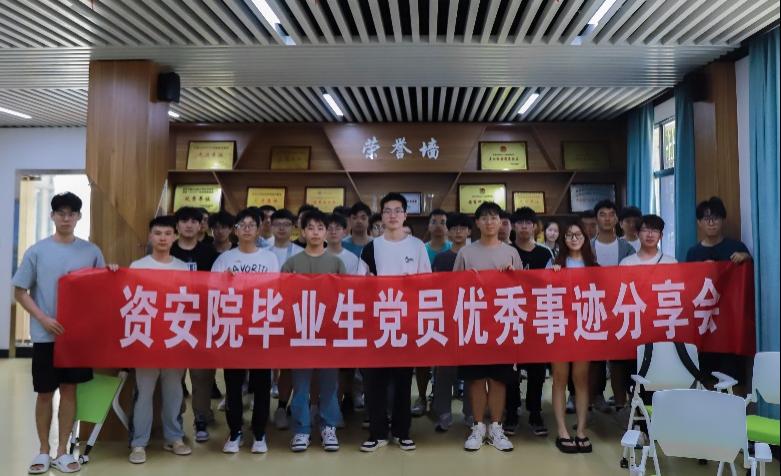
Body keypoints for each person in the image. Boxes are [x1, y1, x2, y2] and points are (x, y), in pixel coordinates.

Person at [13, 192, 109, 474]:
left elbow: (102, 287)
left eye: (71, 213)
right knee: (44, 392)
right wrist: (42, 318)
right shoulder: (37, 251)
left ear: (79, 217)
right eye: (61, 213)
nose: (66, 218)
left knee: (69, 389)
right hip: (46, 336)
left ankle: (63, 451)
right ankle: (43, 450)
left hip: (76, 337)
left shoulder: (91, 251)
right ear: (52, 216)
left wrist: (112, 271)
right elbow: (20, 291)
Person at [359, 193, 431, 452]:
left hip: (406, 322)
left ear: (405, 215)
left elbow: (427, 283)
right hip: (377, 322)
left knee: (402, 379)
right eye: (387, 210)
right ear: (381, 215)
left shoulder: (417, 246)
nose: (392, 215)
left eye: (397, 210)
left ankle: (402, 432)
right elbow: (360, 285)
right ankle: (377, 432)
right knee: (375, 381)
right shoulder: (371, 248)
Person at [212, 208, 279, 454]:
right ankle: (235, 431)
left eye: (252, 224)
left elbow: (276, 290)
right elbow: (211, 290)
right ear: (235, 230)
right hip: (233, 328)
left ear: (259, 229)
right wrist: (225, 280)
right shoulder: (225, 259)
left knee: (261, 384)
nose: (247, 228)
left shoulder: (269, 258)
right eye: (242, 224)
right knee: (233, 384)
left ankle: (259, 432)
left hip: (260, 328)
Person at [455, 201, 521, 452]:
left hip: (502, 323)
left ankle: (496, 427)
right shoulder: (465, 253)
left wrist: (511, 275)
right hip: (473, 323)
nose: (490, 222)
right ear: (477, 223)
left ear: (501, 222)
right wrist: (466, 279)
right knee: (475, 378)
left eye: (494, 217)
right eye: (484, 218)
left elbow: (522, 288)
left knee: (498, 379)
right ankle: (478, 426)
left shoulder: (511, 252)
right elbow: (452, 289)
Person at [128, 216, 192, 464]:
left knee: (174, 392)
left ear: (175, 237)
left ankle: (174, 438)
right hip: (145, 339)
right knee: (144, 394)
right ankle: (138, 443)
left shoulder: (183, 268)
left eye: (167, 233)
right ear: (150, 237)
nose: (163, 238)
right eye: (158, 233)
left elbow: (190, 305)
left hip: (174, 339)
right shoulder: (137, 266)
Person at [282, 210, 346, 452]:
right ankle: (301, 429)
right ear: (302, 232)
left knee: (329, 384)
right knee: (301, 385)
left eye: (320, 228)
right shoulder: (291, 263)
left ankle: (328, 426)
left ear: (327, 232)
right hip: (300, 332)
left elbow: (345, 299)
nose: (316, 232)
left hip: (328, 333)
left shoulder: (336, 263)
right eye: (311, 228)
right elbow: (281, 297)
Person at [686, 196, 751, 392]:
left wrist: (746, 258)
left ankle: (736, 410)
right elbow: (687, 288)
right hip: (705, 325)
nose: (711, 222)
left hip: (731, 324)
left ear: (723, 220)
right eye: (706, 218)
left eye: (715, 218)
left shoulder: (736, 248)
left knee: (735, 377)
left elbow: (748, 282)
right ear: (699, 223)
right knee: (707, 375)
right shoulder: (693, 253)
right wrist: (700, 271)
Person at [170, 206, 220, 443]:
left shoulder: (209, 252)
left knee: (202, 375)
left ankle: (201, 418)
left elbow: (218, 286)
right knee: (174, 375)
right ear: (177, 225)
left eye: (194, 221)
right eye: (184, 220)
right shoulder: (167, 249)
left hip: (202, 321)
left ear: (201, 225)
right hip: (173, 321)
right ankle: (175, 420)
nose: (189, 225)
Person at [548, 219, 596, 454]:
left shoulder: (593, 266)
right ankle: (562, 430)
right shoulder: (555, 263)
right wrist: (552, 275)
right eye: (569, 235)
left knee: (581, 379)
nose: (574, 239)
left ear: (585, 238)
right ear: (563, 239)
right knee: (559, 378)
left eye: (578, 235)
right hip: (559, 328)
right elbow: (542, 292)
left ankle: (581, 430)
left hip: (584, 329)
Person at [506, 207, 552, 438]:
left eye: (528, 223)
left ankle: (535, 411)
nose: (524, 227)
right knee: (510, 370)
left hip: (537, 318)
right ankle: (511, 411)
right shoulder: (506, 251)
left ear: (535, 227)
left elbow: (552, 284)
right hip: (511, 316)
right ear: (513, 226)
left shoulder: (545, 253)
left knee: (537, 370)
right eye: (520, 222)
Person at [430, 213, 473, 433]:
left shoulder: (475, 255)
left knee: (472, 369)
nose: (458, 231)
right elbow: (432, 288)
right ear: (448, 231)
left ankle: (471, 413)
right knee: (444, 369)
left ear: (469, 231)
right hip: (446, 319)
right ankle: (443, 414)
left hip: (472, 317)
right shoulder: (441, 258)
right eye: (454, 227)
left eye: (462, 228)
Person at [591, 200, 635, 414]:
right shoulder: (587, 247)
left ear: (617, 219)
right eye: (602, 214)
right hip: (593, 308)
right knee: (595, 358)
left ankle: (620, 402)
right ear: (596, 218)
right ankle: (596, 397)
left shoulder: (627, 248)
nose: (607, 218)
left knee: (619, 358)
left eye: (611, 214)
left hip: (620, 308)